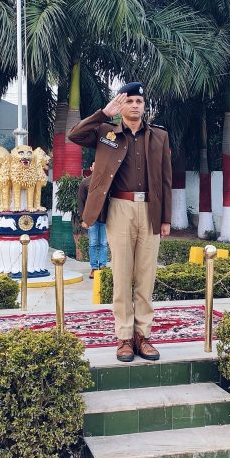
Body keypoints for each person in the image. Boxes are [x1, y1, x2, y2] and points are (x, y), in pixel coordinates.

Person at [69, 82, 172, 362]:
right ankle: (125, 337)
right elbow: (75, 135)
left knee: (146, 277)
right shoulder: (106, 132)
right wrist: (104, 113)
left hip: (150, 209)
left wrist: (166, 218)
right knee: (122, 275)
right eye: (130, 101)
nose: (135, 105)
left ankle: (143, 336)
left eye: (139, 101)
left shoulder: (160, 136)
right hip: (119, 208)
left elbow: (166, 179)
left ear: (144, 106)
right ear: (121, 106)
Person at [77, 162, 109, 279]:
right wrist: (83, 219)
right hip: (91, 219)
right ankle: (94, 268)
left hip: (105, 217)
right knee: (93, 243)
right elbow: (81, 202)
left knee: (104, 243)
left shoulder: (107, 182)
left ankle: (103, 266)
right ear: (91, 168)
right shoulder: (85, 183)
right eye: (95, 166)